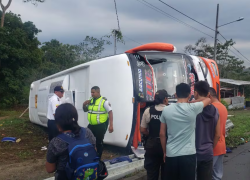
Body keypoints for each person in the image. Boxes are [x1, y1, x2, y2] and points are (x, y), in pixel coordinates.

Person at [159, 83, 211, 180]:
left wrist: (165, 152)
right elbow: (208, 99)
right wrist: (191, 102)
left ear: (175, 95)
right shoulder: (193, 108)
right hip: (188, 154)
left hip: (171, 153)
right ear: (189, 95)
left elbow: (162, 134)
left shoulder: (166, 110)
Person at [45, 103, 97, 180]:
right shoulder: (87, 132)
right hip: (89, 176)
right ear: (75, 118)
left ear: (58, 121)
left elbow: (50, 169)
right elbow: (94, 151)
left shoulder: (56, 141)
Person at [194, 81, 220, 180]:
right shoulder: (215, 110)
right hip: (208, 152)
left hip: (193, 152)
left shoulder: (192, 109)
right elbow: (217, 134)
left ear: (195, 93)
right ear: (208, 94)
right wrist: (210, 147)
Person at [141, 90, 169, 180]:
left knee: (152, 173)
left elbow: (143, 129)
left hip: (152, 145)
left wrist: (151, 135)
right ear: (165, 99)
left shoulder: (148, 110)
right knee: (167, 173)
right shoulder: (170, 110)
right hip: (167, 145)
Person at [82, 86, 114, 158]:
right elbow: (85, 110)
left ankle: (98, 157)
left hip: (100, 125)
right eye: (91, 92)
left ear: (98, 92)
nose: (92, 94)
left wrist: (111, 125)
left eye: (93, 92)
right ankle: (90, 155)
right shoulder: (90, 100)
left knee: (98, 142)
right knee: (87, 139)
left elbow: (110, 112)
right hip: (91, 125)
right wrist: (84, 104)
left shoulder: (104, 101)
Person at [209, 87, 228, 180]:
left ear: (209, 95)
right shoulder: (223, 107)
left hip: (213, 145)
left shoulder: (212, 108)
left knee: (206, 173)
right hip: (221, 144)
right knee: (217, 175)